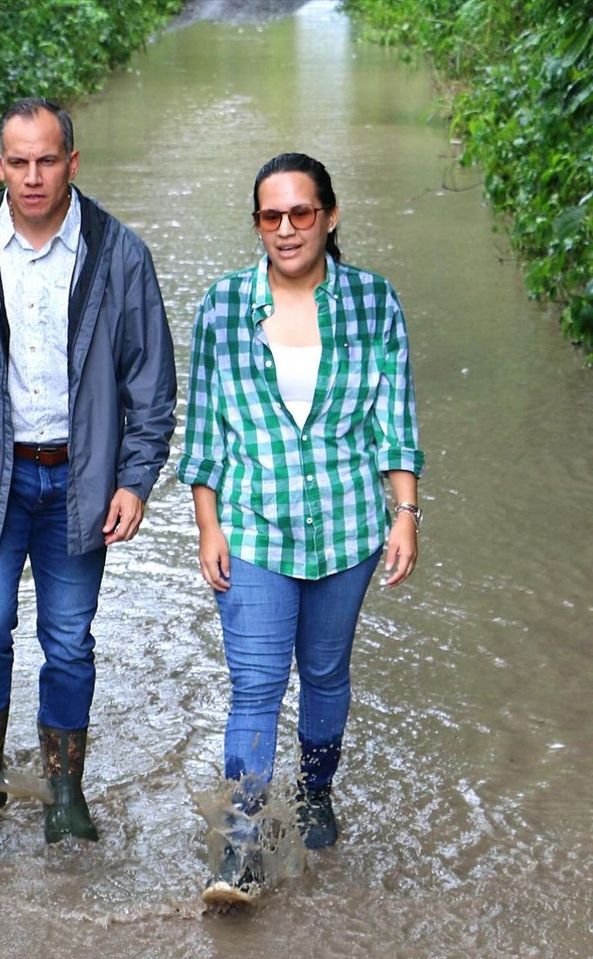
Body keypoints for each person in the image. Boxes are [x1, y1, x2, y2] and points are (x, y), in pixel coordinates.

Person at [0, 97, 176, 851]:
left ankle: (63, 789)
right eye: (18, 161)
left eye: (47, 160)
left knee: (70, 641)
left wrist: (134, 480)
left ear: (72, 163)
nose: (32, 176)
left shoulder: (118, 255)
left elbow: (150, 384)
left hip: (80, 484)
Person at [177, 152, 424, 900]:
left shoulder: (373, 303)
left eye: (300, 213)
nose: (285, 229)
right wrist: (207, 526)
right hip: (252, 526)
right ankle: (241, 846)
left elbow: (394, 421)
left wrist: (405, 514)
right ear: (257, 223)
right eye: (270, 216)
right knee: (254, 685)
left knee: (323, 673)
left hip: (347, 527)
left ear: (329, 216)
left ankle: (316, 792)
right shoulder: (223, 306)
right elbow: (205, 430)